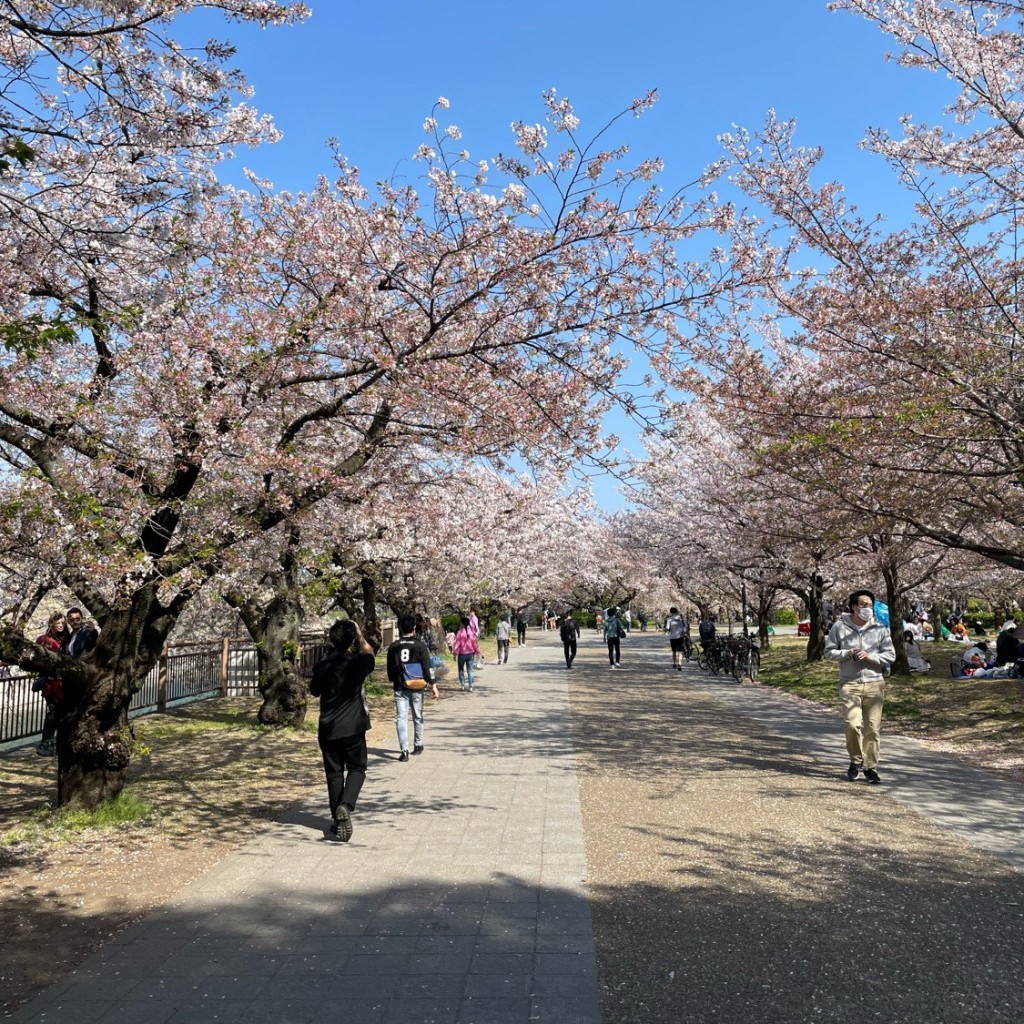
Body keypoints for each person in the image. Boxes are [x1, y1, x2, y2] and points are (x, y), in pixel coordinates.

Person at [309, 619, 376, 842]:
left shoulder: (322, 666)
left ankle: (338, 822)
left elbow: (314, 691)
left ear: (331, 638)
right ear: (351, 638)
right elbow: (370, 653)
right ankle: (346, 806)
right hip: (353, 726)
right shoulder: (358, 662)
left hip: (328, 728)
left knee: (334, 774)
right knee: (357, 768)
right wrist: (359, 635)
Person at [824, 589, 896, 784]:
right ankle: (855, 761)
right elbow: (829, 652)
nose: (868, 609)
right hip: (850, 683)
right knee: (852, 724)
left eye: (870, 605)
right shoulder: (839, 627)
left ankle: (870, 767)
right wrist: (847, 653)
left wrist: (871, 656)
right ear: (854, 607)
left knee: (873, 728)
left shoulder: (880, 629)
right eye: (864, 605)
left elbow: (891, 656)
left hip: (874, 683)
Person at [386, 613, 438, 761]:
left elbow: (390, 669)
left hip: (400, 687)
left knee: (401, 718)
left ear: (400, 628)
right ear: (414, 628)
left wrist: (393, 680)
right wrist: (433, 685)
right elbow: (428, 667)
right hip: (417, 686)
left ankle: (404, 751)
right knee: (418, 715)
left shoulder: (394, 647)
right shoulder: (420, 646)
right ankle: (418, 744)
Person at [34, 611, 68, 757]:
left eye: (63, 623)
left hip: (63, 681)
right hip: (50, 682)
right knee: (53, 711)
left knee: (60, 712)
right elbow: (37, 659)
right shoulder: (43, 639)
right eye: (58, 623)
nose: (60, 625)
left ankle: (55, 741)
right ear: (52, 623)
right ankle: (46, 741)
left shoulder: (66, 638)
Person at [451, 615, 481, 691]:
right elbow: (475, 643)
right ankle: (471, 686)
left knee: (461, 669)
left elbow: (457, 644)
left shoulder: (460, 632)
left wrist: (455, 653)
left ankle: (463, 685)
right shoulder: (471, 633)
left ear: (463, 624)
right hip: (471, 653)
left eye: (460, 623)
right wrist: (477, 652)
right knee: (470, 670)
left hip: (462, 654)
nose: (459, 624)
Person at [665, 606, 687, 671]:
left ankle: (674, 663)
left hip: (673, 637)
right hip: (680, 636)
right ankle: (679, 664)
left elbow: (667, 628)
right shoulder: (681, 618)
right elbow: (685, 626)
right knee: (680, 651)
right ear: (677, 612)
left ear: (671, 612)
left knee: (674, 651)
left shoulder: (669, 619)